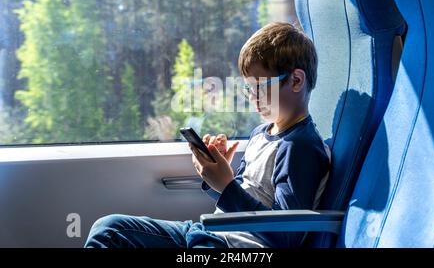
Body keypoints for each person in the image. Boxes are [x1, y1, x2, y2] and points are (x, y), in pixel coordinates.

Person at [85, 22, 331, 248]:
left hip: (238, 247)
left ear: (296, 80)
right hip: (211, 233)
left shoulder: (300, 146)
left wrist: (226, 186)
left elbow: (287, 234)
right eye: (248, 89)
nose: (253, 98)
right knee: (110, 229)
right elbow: (242, 198)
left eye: (259, 88)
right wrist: (218, 177)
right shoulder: (260, 133)